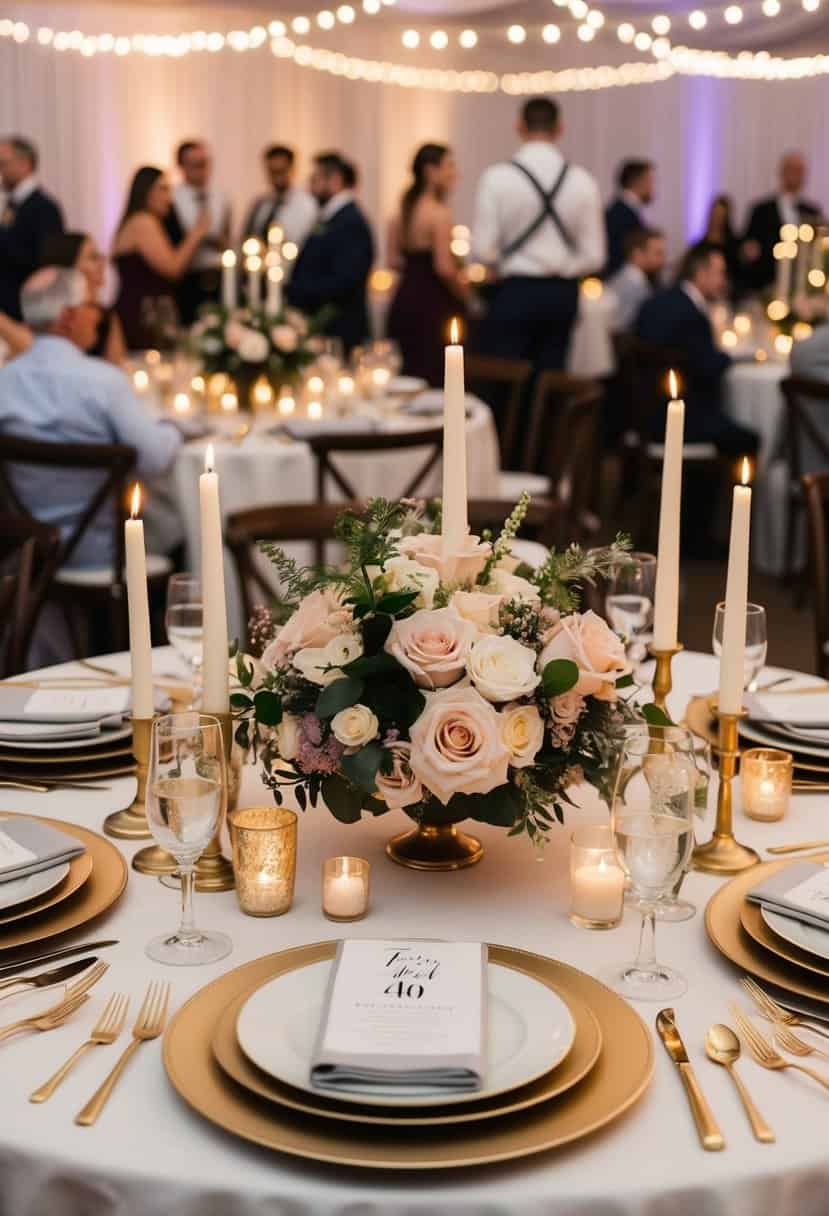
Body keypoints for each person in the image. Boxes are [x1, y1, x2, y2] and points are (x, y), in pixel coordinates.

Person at [0, 267, 182, 569]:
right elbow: (155, 458)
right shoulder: (103, 382)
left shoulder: (4, 382)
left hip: (29, 555)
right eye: (91, 305)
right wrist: (174, 429)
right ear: (68, 317)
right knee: (180, 519)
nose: (99, 315)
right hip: (107, 556)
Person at [637, 241, 759, 554]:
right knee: (748, 438)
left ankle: (697, 526)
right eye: (719, 273)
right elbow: (707, 368)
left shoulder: (658, 302)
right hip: (681, 419)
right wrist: (733, 357)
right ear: (700, 272)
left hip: (645, 414)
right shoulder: (691, 315)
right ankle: (710, 535)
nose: (723, 280)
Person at [472, 96, 605, 381]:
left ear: (519, 126)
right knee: (549, 383)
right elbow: (595, 256)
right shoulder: (583, 181)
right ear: (560, 128)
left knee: (508, 381)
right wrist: (564, 264)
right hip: (562, 294)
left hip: (514, 290)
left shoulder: (496, 178)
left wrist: (511, 259)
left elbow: (482, 250)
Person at [386, 144, 469, 387]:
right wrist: (466, 294)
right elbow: (444, 266)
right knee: (436, 375)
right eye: (449, 166)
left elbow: (392, 261)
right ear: (430, 171)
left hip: (404, 298)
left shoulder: (399, 212)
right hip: (433, 303)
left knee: (408, 374)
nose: (455, 173)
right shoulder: (439, 213)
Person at [112, 166, 210, 350]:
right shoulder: (143, 222)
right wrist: (197, 233)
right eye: (163, 189)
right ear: (146, 191)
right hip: (144, 313)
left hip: (146, 310)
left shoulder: (143, 221)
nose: (169, 198)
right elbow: (172, 268)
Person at [286, 152, 374, 355]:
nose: (309, 187)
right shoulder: (332, 218)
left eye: (315, 180)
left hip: (339, 329)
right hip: (324, 324)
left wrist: (297, 290)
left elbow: (345, 280)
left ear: (334, 180)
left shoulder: (350, 222)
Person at [0, 231, 127, 364]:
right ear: (68, 265)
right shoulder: (45, 311)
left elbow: (118, 369)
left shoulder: (107, 318)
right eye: (93, 257)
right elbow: (36, 353)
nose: (102, 263)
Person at [165, 140, 231, 325]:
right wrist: (197, 235)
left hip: (218, 275)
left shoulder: (220, 197)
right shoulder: (172, 199)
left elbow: (227, 234)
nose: (201, 170)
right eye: (194, 164)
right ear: (181, 166)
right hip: (188, 277)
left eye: (204, 163)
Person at [0, 136, 64, 319]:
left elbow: (47, 261)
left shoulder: (43, 207)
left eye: (3, 163)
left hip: (26, 310)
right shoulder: (13, 205)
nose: (0, 171)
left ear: (25, 164)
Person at [741, 153, 822, 292]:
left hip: (802, 287)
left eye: (800, 171)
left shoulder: (812, 212)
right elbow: (749, 248)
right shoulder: (761, 210)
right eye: (791, 169)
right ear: (782, 172)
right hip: (766, 285)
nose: (795, 175)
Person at [241, 144, 317, 248]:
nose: (277, 177)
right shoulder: (260, 203)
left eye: (281, 171)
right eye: (272, 171)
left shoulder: (306, 204)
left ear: (292, 169)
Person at [607, 227, 666, 333]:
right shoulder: (631, 285)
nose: (663, 259)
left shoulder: (627, 279)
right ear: (637, 254)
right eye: (658, 253)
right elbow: (621, 328)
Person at [604, 160, 655, 278]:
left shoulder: (627, 211)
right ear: (638, 182)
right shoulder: (620, 214)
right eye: (650, 181)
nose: (653, 188)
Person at [699, 194, 742, 293]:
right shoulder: (700, 246)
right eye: (716, 214)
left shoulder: (735, 245)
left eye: (721, 215)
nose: (718, 219)